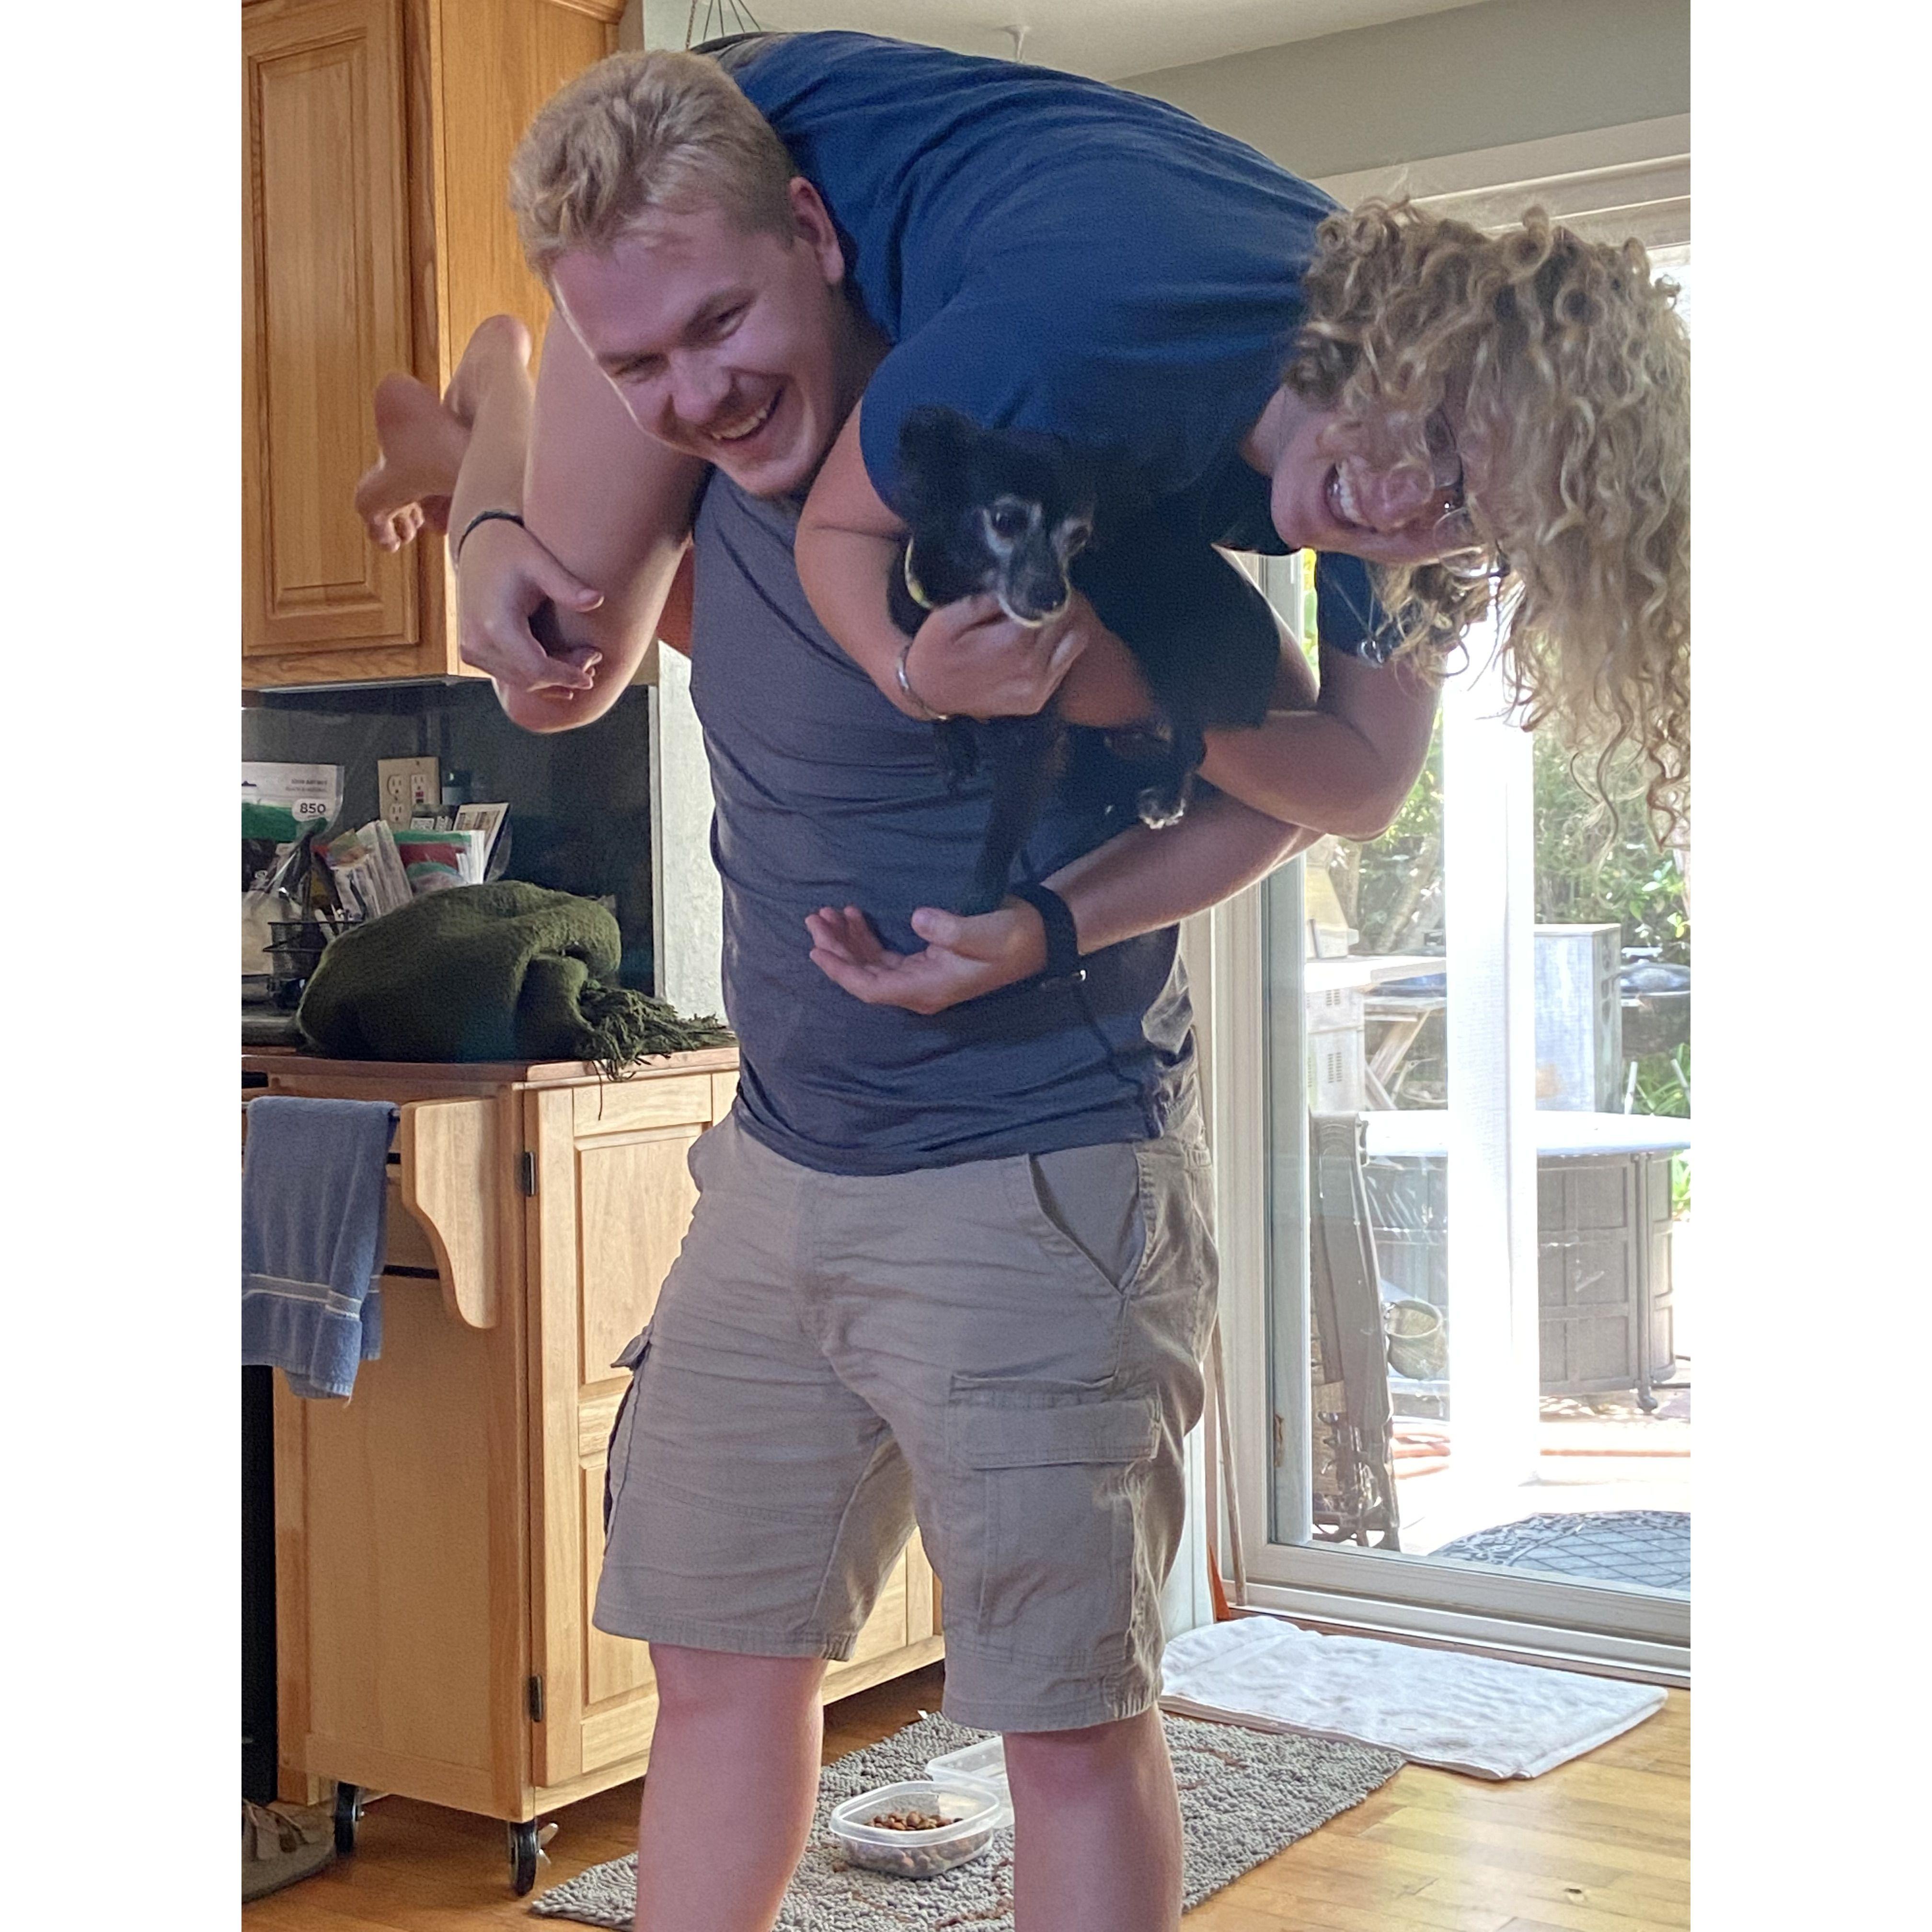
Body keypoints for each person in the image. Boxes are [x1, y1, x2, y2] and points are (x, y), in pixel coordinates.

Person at [349, 40, 1689, 1932]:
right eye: (640, 360)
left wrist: (1062, 873)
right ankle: (496, 412)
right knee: (715, 1669)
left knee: (1064, 1719)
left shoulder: (1106, 489)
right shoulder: (812, 441)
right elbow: (687, 546)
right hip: (779, 1170)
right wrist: (500, 481)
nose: (1410, 504)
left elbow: (1338, 782)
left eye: (717, 330)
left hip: (1033, 1176)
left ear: (817, 247)